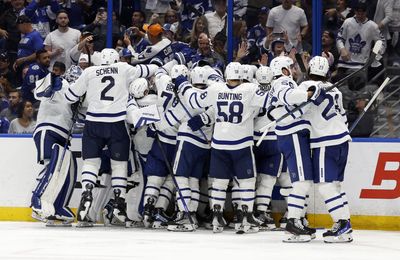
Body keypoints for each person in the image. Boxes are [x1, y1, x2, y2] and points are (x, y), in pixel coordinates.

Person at [64, 48, 158, 227]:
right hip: (116, 123)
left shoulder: (90, 72)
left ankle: (87, 191)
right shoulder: (123, 68)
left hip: (93, 123)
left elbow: (69, 96)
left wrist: (83, 93)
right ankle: (119, 201)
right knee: (119, 165)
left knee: (91, 163)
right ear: (116, 59)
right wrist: (159, 68)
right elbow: (146, 69)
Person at [174, 62, 271, 234]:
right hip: (242, 143)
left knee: (219, 182)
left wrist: (182, 84)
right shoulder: (250, 89)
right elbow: (271, 99)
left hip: (219, 144)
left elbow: (194, 100)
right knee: (247, 181)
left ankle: (216, 217)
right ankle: (246, 217)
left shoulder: (215, 89)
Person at [266, 56, 323, 242]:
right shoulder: (282, 81)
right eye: (290, 67)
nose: (293, 70)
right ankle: (293, 222)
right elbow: (288, 96)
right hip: (292, 135)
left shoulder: (282, 83)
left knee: (302, 180)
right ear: (283, 70)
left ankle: (297, 220)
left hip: (292, 135)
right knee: (301, 181)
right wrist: (309, 95)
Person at [302, 56, 353, 243]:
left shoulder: (307, 86)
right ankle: (345, 225)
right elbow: (344, 117)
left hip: (326, 141)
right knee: (336, 186)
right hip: (343, 139)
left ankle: (341, 223)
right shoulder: (336, 90)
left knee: (325, 187)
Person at [336, 1, 385, 80]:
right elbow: (339, 38)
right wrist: (342, 49)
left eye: (362, 13)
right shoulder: (347, 22)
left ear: (366, 12)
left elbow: (381, 41)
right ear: (355, 12)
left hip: (361, 65)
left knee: (357, 87)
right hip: (345, 63)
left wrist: (376, 52)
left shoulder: (372, 26)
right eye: (358, 13)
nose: (360, 15)